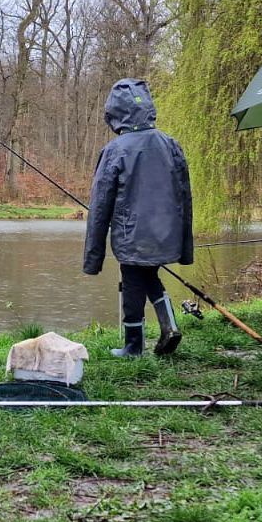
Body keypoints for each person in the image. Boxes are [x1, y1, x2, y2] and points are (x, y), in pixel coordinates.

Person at [83, 79, 193, 358]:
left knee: (133, 279)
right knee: (149, 274)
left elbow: (99, 207)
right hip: (166, 231)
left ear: (115, 114)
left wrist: (92, 258)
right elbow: (185, 195)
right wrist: (183, 241)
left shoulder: (115, 150)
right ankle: (169, 325)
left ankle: (133, 346)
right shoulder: (171, 144)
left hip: (131, 233)